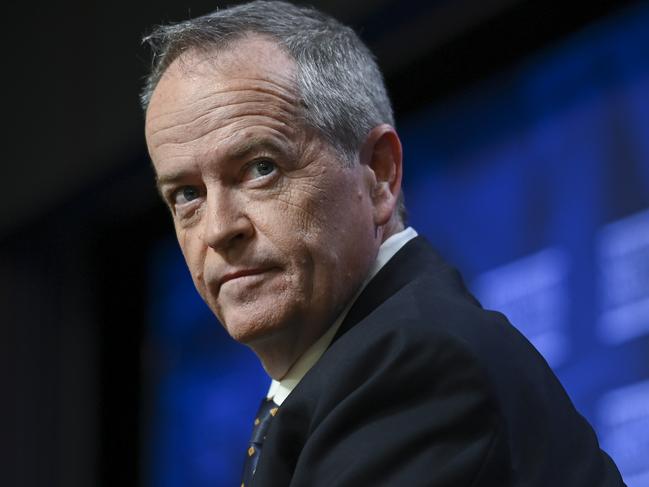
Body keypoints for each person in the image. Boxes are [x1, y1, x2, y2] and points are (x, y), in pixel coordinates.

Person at [142, 1, 625, 485]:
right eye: (187, 195)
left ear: (380, 173)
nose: (219, 229)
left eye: (261, 167)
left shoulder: (415, 367)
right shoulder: (344, 376)